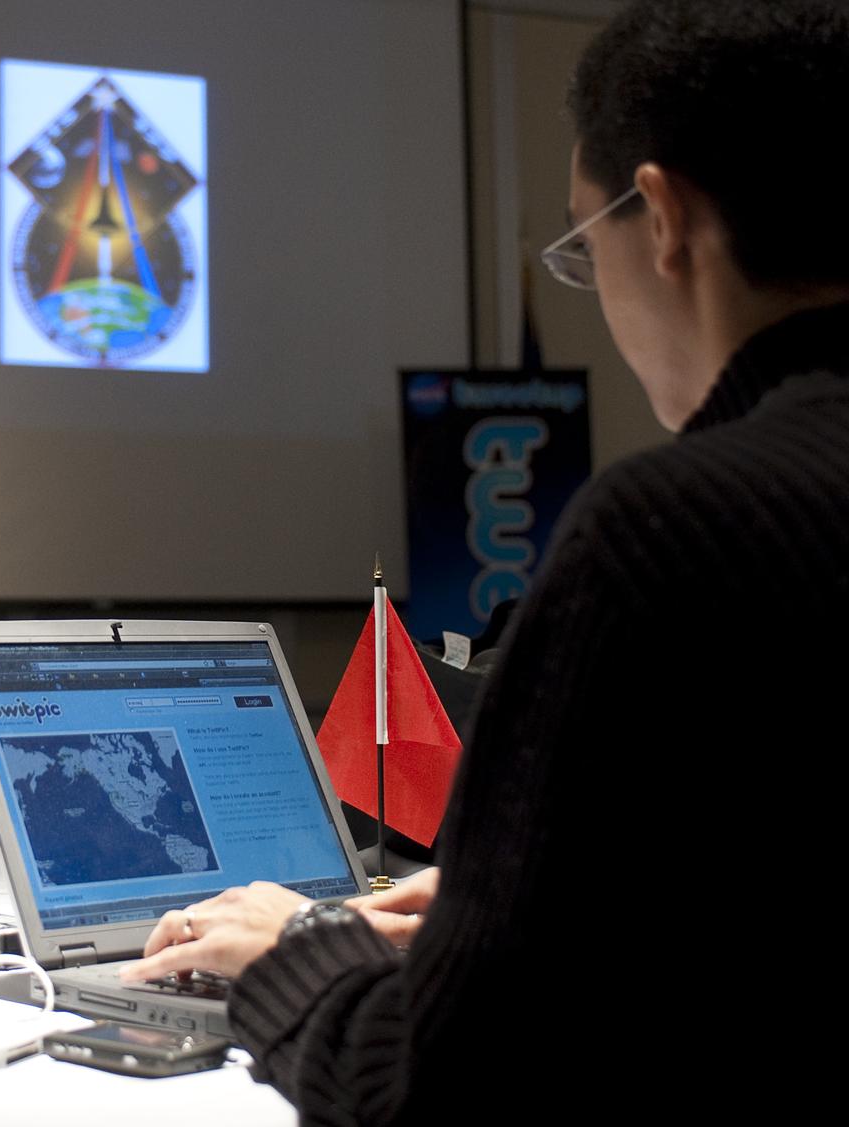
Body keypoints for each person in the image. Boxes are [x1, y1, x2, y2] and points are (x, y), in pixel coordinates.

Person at [122, 1, 849, 1117]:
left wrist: (297, 946)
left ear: (657, 217)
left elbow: (434, 1088)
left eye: (576, 242)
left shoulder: (669, 528)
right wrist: (522, 910)